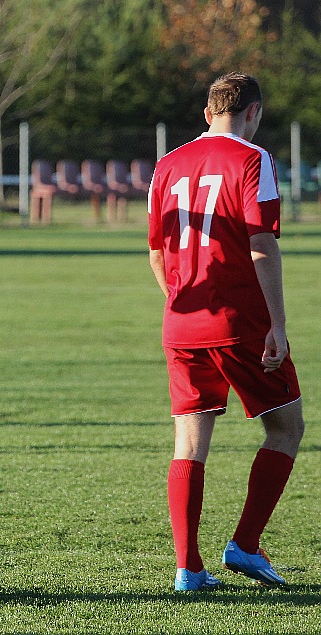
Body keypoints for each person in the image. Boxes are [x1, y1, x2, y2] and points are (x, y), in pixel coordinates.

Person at [148, 72, 304, 592]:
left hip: (182, 319)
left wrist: (177, 300)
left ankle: (187, 568)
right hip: (240, 323)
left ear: (206, 110)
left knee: (190, 440)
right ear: (254, 113)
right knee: (286, 427)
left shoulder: (167, 164)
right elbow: (262, 244)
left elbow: (155, 250)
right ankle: (245, 544)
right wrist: (278, 324)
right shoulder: (253, 160)